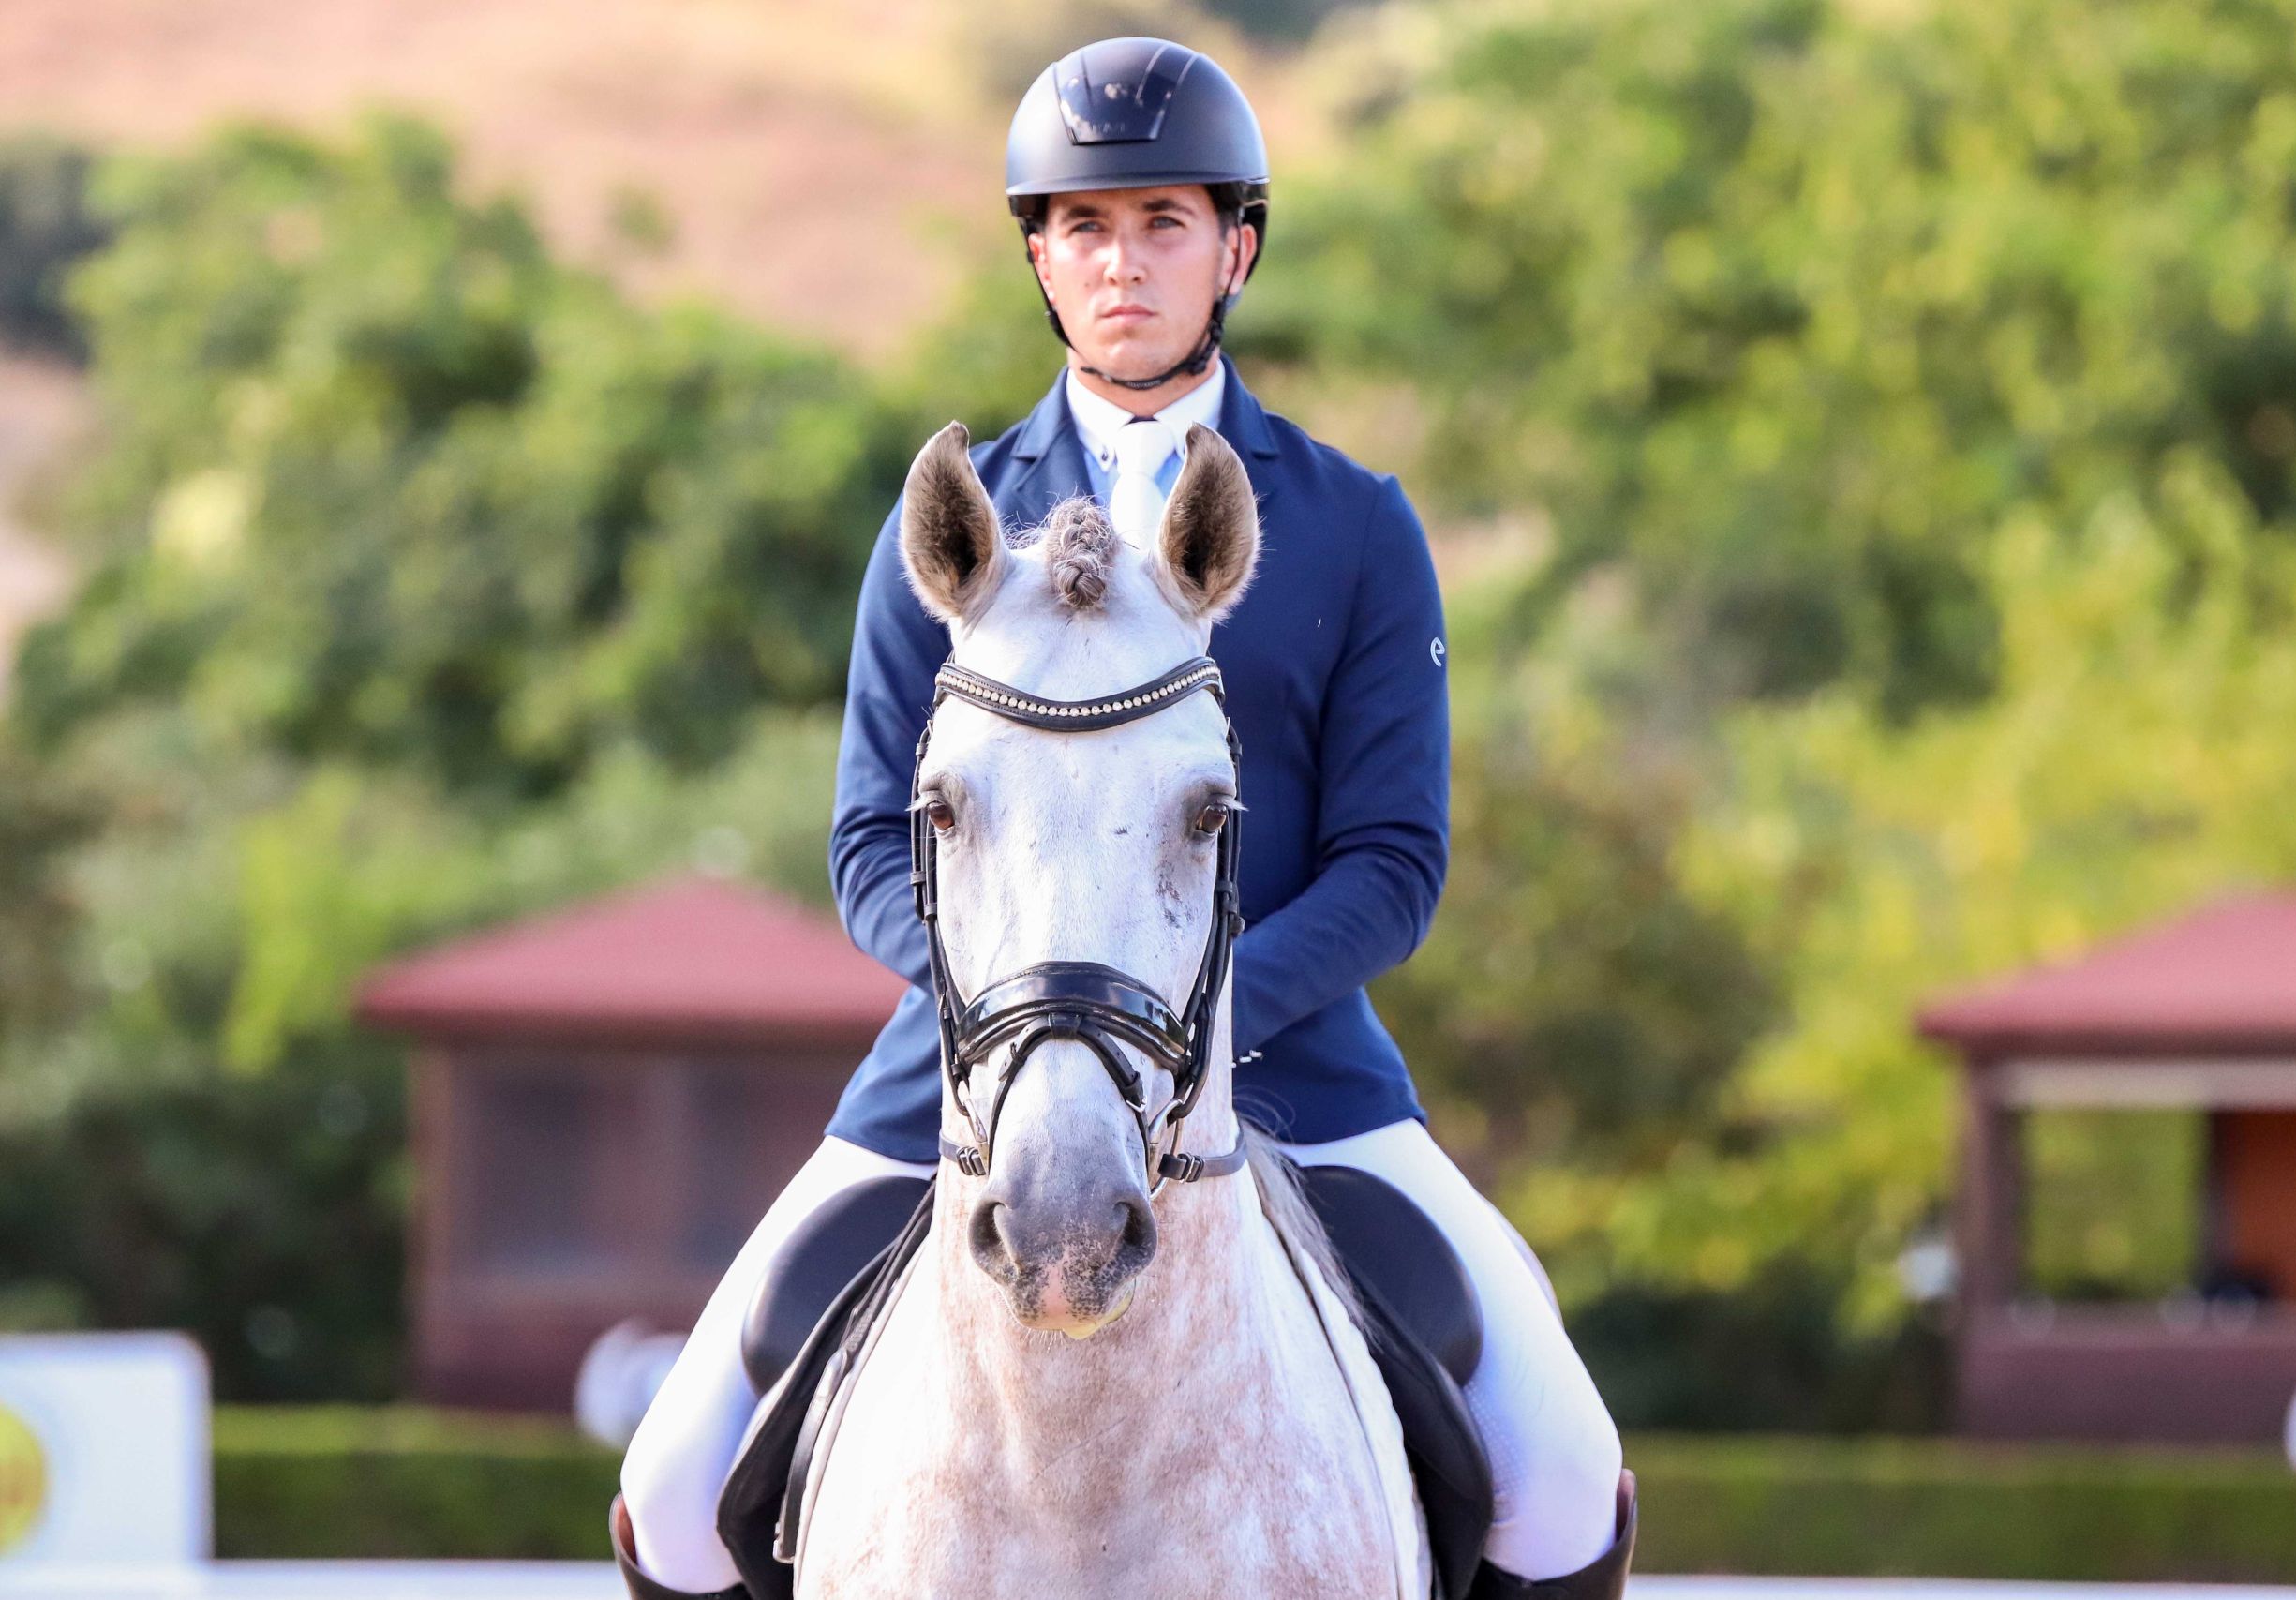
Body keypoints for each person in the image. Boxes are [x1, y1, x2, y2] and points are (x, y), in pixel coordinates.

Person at [616, 36, 1629, 1599]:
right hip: (959, 1085)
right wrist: (992, 1021)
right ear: (1039, 255)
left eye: (1163, 223)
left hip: (1297, 1079)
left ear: (1236, 246)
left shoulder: (1354, 524)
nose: (1123, 262)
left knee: (1559, 1478)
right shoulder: (943, 523)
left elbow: (1392, 866)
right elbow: (871, 848)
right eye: (1085, 228)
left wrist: (1208, 1025)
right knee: (676, 1496)